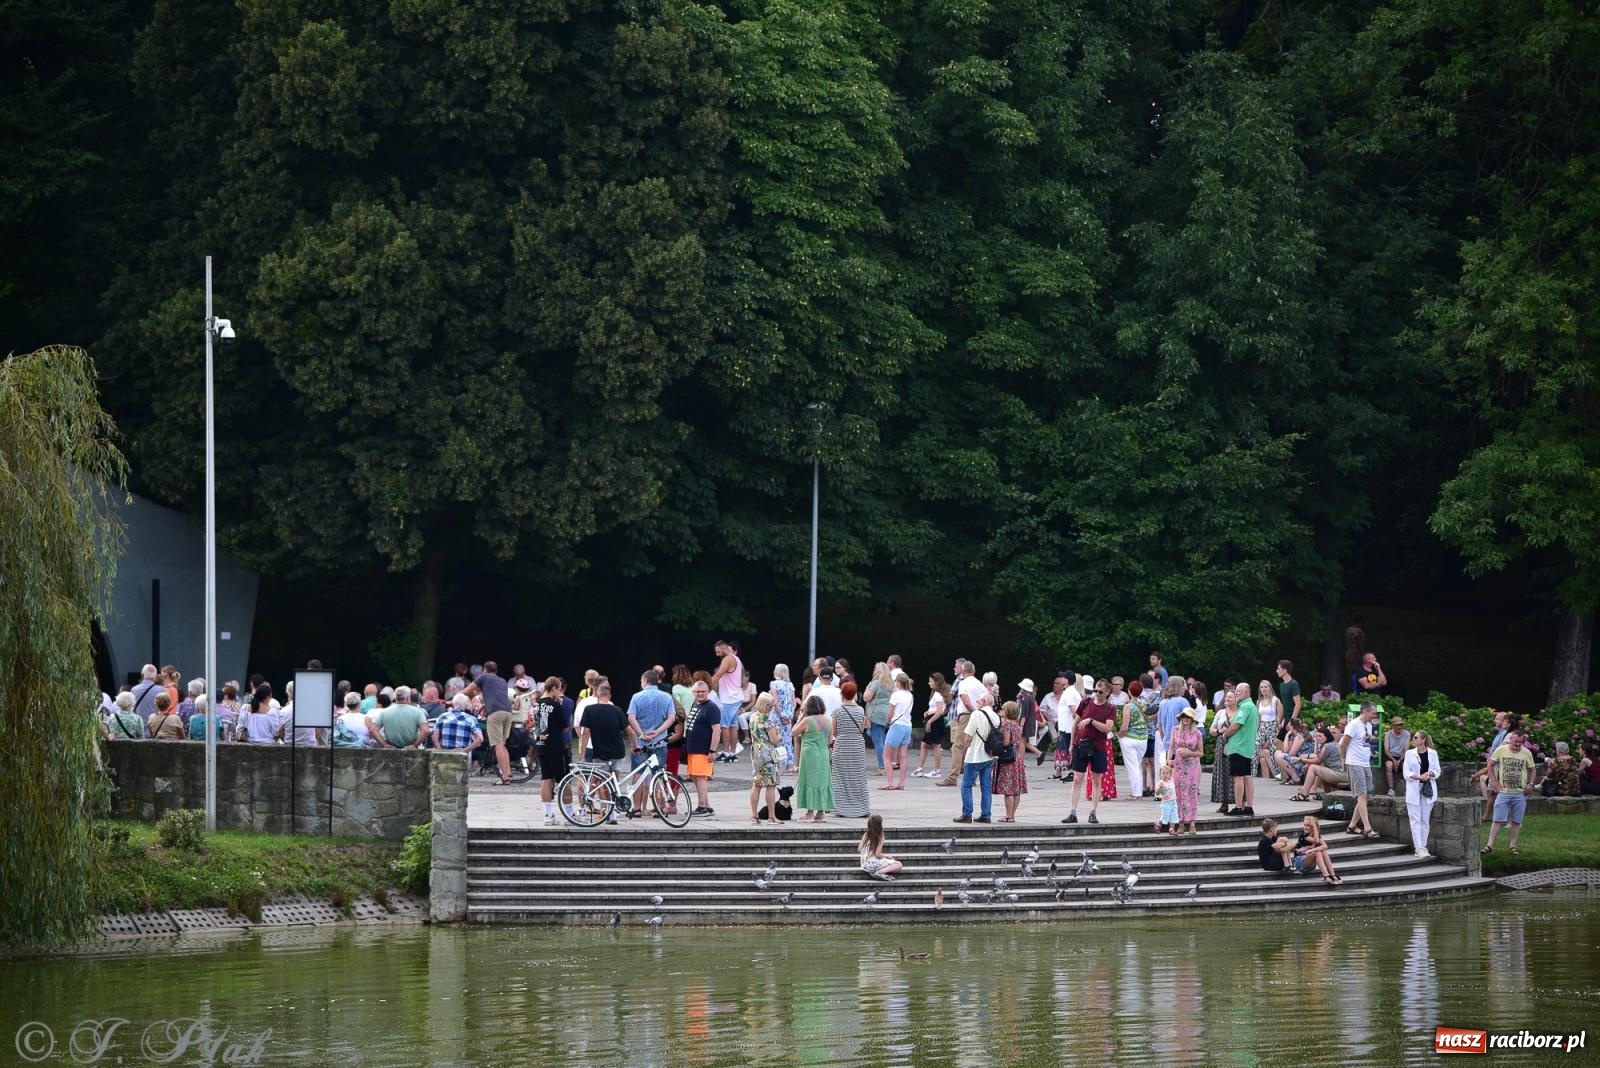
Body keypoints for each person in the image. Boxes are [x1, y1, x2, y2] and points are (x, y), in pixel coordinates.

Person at [577, 682, 632, 825]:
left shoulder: (590, 709)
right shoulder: (617, 710)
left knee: (602, 782)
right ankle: (612, 811)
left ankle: (607, 810)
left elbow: (586, 733)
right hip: (618, 751)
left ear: (597, 696)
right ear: (610, 696)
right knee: (614, 782)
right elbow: (629, 730)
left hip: (601, 752)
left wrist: (582, 754)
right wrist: (635, 746)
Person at [1063, 680, 1114, 824]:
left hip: (1098, 746)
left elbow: (1107, 728)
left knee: (1096, 779)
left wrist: (1091, 721)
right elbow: (1076, 723)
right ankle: (1072, 812)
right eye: (1095, 691)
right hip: (1082, 744)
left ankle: (1093, 811)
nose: (1096, 694)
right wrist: (1072, 743)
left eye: (1100, 692)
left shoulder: (1110, 708)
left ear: (1107, 693)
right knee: (1077, 778)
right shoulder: (1085, 703)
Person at [1483, 730, 1536, 855]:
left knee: (1517, 821)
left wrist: (1531, 784)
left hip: (1519, 793)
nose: (1518, 744)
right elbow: (1490, 764)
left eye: (1520, 742)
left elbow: (1532, 769)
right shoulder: (1501, 750)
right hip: (1503, 792)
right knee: (1497, 819)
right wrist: (1494, 781)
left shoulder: (1526, 753)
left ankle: (1513, 846)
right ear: (1510, 739)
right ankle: (1489, 845)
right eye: (1515, 741)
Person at [955, 690, 1000, 825]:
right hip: (989, 756)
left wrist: (966, 748)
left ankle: (967, 814)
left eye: (979, 700)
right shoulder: (996, 717)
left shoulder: (976, 714)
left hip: (975, 756)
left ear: (984, 701)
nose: (977, 702)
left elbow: (968, 737)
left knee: (966, 785)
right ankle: (986, 815)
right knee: (986, 786)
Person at [937, 659, 983, 787]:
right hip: (978, 716)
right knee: (971, 746)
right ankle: (972, 777)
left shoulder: (963, 683)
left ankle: (952, 776)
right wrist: (979, 713)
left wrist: (974, 712)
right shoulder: (980, 685)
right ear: (974, 671)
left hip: (966, 716)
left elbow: (966, 702)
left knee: (957, 746)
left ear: (963, 671)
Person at [993, 700, 1040, 822]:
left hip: (1008, 758)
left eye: (1003, 709)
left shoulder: (1006, 725)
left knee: (1008, 789)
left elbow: (1006, 742)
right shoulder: (1018, 725)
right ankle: (1012, 815)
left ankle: (1008, 816)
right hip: (1017, 758)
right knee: (1016, 789)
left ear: (1007, 711)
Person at [831, 680, 872, 818]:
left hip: (842, 745)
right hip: (857, 746)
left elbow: (834, 732)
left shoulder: (837, 711)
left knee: (841, 778)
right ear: (854, 694)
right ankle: (861, 807)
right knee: (858, 777)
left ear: (842, 694)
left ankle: (842, 808)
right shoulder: (860, 710)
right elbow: (862, 729)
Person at [532, 678, 570, 825]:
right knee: (565, 779)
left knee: (546, 778)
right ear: (553, 688)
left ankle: (548, 815)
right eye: (559, 689)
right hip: (555, 746)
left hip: (541, 744)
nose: (559, 692)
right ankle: (570, 814)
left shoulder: (535, 704)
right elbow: (565, 727)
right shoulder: (555, 705)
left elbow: (532, 723)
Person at [470, 661, 515, 785]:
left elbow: (468, 690)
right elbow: (498, 698)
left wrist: (455, 699)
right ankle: (508, 774)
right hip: (508, 713)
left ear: (485, 669)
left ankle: (505, 778)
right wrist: (485, 705)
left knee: (497, 745)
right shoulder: (502, 681)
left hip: (496, 714)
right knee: (503, 744)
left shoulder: (484, 677)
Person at [792, 695, 835, 822]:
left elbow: (793, 732)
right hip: (823, 754)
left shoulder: (807, 720)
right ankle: (820, 812)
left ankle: (810, 813)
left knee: (809, 781)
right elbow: (830, 740)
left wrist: (800, 717)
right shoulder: (827, 720)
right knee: (822, 781)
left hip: (810, 755)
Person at [1341, 701, 1380, 838]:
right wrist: (1343, 760)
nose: (1374, 715)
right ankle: (1367, 828)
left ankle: (1352, 826)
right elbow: (1343, 744)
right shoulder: (1353, 725)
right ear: (1365, 711)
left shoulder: (1369, 725)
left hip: (1365, 763)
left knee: (1366, 796)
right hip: (1354, 763)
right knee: (1361, 795)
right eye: (1372, 713)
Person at [683, 679, 722, 817]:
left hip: (703, 749)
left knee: (700, 777)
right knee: (694, 776)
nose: (700, 694)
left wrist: (712, 750)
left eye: (703, 691)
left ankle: (702, 806)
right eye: (697, 691)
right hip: (693, 748)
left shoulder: (711, 707)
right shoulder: (696, 704)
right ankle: (706, 804)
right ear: (693, 692)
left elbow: (717, 730)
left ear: (708, 692)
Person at [1223, 682, 1259, 816]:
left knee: (1238, 777)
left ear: (1246, 692)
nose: (1236, 693)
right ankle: (1249, 807)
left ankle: (1238, 807)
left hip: (1238, 746)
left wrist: (1225, 734)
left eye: (1239, 691)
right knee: (1247, 777)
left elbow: (1236, 725)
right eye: (1236, 691)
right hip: (1248, 747)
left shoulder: (1244, 707)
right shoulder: (1253, 706)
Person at [1404, 729, 1440, 858]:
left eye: (1417, 737)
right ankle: (1418, 848)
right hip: (1414, 787)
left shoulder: (1432, 753)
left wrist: (1429, 774)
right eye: (1414, 737)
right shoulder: (1409, 754)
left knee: (1425, 819)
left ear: (1423, 739)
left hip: (1428, 788)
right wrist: (1418, 777)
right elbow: (1406, 772)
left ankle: (1423, 847)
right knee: (1415, 819)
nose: (1414, 739)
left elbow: (1437, 770)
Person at [748, 693, 783, 825]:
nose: (772, 708)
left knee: (756, 784)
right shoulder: (768, 719)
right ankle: (772, 816)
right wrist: (780, 737)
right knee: (770, 785)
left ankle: (754, 815)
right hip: (768, 754)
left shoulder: (753, 716)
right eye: (770, 705)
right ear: (765, 705)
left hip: (756, 754)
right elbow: (774, 739)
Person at [710, 639, 745, 763]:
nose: (717, 654)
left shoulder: (727, 659)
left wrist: (706, 685)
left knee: (724, 726)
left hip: (728, 698)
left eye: (718, 651)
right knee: (733, 726)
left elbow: (718, 674)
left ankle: (726, 752)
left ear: (723, 648)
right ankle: (732, 753)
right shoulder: (737, 659)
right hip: (736, 696)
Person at [1170, 707, 1203, 835]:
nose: (1185, 719)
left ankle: (1192, 822)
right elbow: (1171, 747)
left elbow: (1201, 753)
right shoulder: (1175, 730)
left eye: (1188, 717)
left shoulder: (1197, 733)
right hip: (1178, 765)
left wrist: (1190, 753)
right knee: (1178, 793)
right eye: (1184, 716)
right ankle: (1181, 822)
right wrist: (1168, 760)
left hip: (1192, 766)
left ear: (1192, 719)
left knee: (1191, 793)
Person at [1293, 727, 1347, 800]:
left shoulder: (1328, 746)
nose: (1318, 738)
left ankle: (1304, 795)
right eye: (1316, 736)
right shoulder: (1329, 744)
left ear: (1327, 736)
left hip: (1340, 774)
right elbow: (1317, 757)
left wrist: (1300, 759)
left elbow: (1317, 760)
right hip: (1342, 774)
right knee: (1321, 767)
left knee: (1313, 768)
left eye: (1320, 736)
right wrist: (1316, 742)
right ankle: (1327, 794)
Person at [1117, 680, 1150, 799]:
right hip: (1143, 739)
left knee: (1132, 767)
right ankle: (1138, 791)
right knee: (1138, 766)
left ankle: (1136, 793)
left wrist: (1118, 734)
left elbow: (1125, 727)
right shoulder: (1144, 705)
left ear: (1129, 691)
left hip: (1130, 739)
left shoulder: (1128, 706)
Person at [913, 673, 949, 779]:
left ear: (937, 682)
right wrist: (928, 712)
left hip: (935, 722)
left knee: (936, 745)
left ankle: (937, 770)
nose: (929, 683)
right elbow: (941, 710)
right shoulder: (939, 694)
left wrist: (930, 721)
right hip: (935, 720)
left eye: (931, 681)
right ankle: (920, 768)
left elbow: (939, 712)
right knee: (924, 744)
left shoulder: (938, 695)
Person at [882, 674, 915, 789]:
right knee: (903, 755)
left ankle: (890, 782)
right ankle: (901, 782)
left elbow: (890, 712)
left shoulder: (895, 695)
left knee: (886, 755)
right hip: (907, 726)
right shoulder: (910, 695)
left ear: (899, 683)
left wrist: (887, 721)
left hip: (897, 725)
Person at [863, 662, 894, 776]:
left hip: (875, 714)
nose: (874, 670)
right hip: (885, 714)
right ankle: (887, 764)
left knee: (878, 742)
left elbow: (866, 697)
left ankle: (882, 767)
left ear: (878, 671)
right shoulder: (890, 684)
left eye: (875, 668)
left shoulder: (875, 683)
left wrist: (868, 687)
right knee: (882, 740)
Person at [1052, 670, 1083, 781]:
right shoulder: (1070, 691)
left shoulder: (1069, 692)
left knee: (1069, 749)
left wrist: (1077, 722)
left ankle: (1070, 772)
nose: (1061, 679)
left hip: (1068, 727)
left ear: (1067, 680)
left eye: (1063, 677)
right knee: (1064, 748)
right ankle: (1062, 772)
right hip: (1065, 726)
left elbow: (1074, 711)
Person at [1294, 815, 1343, 884]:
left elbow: (1325, 846)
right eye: (1304, 825)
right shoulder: (1304, 835)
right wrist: (1315, 850)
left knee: (1323, 851)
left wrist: (1312, 850)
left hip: (1309, 862)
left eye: (1308, 825)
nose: (1305, 827)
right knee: (1317, 852)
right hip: (1299, 862)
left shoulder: (1316, 835)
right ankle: (1326, 875)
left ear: (1314, 827)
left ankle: (1332, 874)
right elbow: (1316, 841)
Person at [1209, 692, 1235, 812]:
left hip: (1235, 744)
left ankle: (1239, 802)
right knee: (1222, 772)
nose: (1227, 699)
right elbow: (1211, 730)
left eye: (1230, 697)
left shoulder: (1239, 713)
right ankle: (1224, 803)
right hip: (1221, 745)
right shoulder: (1220, 713)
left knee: (1235, 772)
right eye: (1227, 697)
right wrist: (1219, 730)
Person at [1154, 676, 1188, 769]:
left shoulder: (1162, 703)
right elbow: (1189, 723)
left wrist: (1165, 738)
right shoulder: (1183, 701)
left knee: (1169, 774)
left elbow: (1160, 726)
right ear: (1179, 687)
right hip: (1182, 744)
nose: (1185, 689)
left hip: (1167, 744)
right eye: (1183, 686)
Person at [858, 814, 902, 881]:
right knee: (898, 864)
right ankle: (879, 872)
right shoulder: (880, 836)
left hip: (864, 864)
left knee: (886, 862)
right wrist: (887, 856)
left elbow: (859, 849)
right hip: (872, 863)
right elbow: (877, 854)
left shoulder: (866, 834)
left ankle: (878, 871)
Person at [1254, 679, 1281, 779]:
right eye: (1261, 687)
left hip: (1272, 726)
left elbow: (1280, 717)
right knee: (1255, 747)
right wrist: (1256, 731)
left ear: (1270, 688)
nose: (1264, 689)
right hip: (1262, 727)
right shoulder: (1258, 702)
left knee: (1273, 750)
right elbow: (1258, 718)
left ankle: (1278, 773)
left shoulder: (1275, 700)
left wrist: (1277, 727)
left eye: (1266, 687)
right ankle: (1251, 774)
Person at [1383, 717, 1412, 797]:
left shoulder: (1407, 734)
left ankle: (1408, 790)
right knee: (1389, 765)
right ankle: (1391, 789)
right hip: (1390, 755)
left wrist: (1399, 760)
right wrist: (1393, 760)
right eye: (1397, 725)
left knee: (1406, 766)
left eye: (1401, 725)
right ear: (1393, 726)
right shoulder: (1388, 734)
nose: (1399, 727)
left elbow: (1406, 750)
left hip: (1402, 756)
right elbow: (1386, 750)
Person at [1275, 659, 1302, 726]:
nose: (1277, 671)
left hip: (1294, 720)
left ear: (1285, 670)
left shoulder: (1293, 684)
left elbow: (1298, 704)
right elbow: (1284, 704)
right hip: (1286, 719)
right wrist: (1281, 720)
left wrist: (1292, 721)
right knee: (1278, 736)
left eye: (1279, 669)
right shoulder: (1281, 685)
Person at [1154, 762, 1178, 835]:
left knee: (1174, 816)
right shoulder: (1160, 783)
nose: (1165, 775)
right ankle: (1158, 824)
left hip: (1173, 802)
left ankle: (1171, 829)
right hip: (1165, 802)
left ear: (1170, 775)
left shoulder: (1171, 781)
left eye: (1167, 773)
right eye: (1163, 773)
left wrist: (1173, 766)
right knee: (1165, 815)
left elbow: (1173, 771)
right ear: (1160, 775)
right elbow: (1157, 793)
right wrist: (1160, 788)